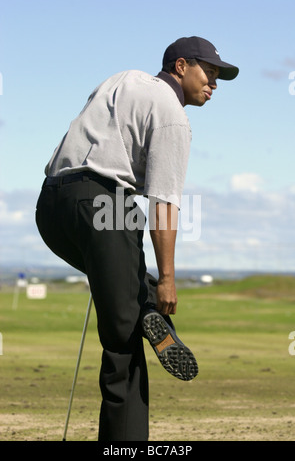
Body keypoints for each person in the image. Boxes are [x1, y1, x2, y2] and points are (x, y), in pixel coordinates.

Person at [35, 36, 239, 441]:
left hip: (52, 205)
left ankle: (139, 301)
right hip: (107, 204)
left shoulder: (123, 78)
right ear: (180, 67)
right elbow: (164, 203)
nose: (213, 85)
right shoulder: (173, 116)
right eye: (209, 73)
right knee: (123, 344)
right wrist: (166, 279)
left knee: (124, 287)